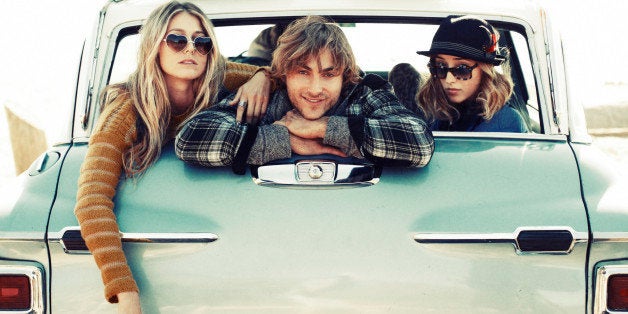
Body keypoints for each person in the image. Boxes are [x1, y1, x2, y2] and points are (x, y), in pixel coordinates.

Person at [73, 2, 272, 313]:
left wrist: (262, 77)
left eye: (201, 41)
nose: (190, 49)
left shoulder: (220, 76)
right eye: (177, 39)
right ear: (155, 44)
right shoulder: (125, 111)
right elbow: (91, 200)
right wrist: (124, 291)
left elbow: (283, 76)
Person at [175, 15, 434, 171]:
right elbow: (191, 139)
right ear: (283, 73)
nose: (315, 88)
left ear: (344, 76)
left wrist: (323, 128)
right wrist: (290, 141)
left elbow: (418, 143)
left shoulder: (363, 95)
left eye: (329, 74)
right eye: (302, 72)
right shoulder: (265, 99)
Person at [415, 15, 529, 132]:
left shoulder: (505, 122)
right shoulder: (441, 113)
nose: (449, 79)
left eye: (462, 69)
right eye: (440, 67)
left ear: (484, 71)